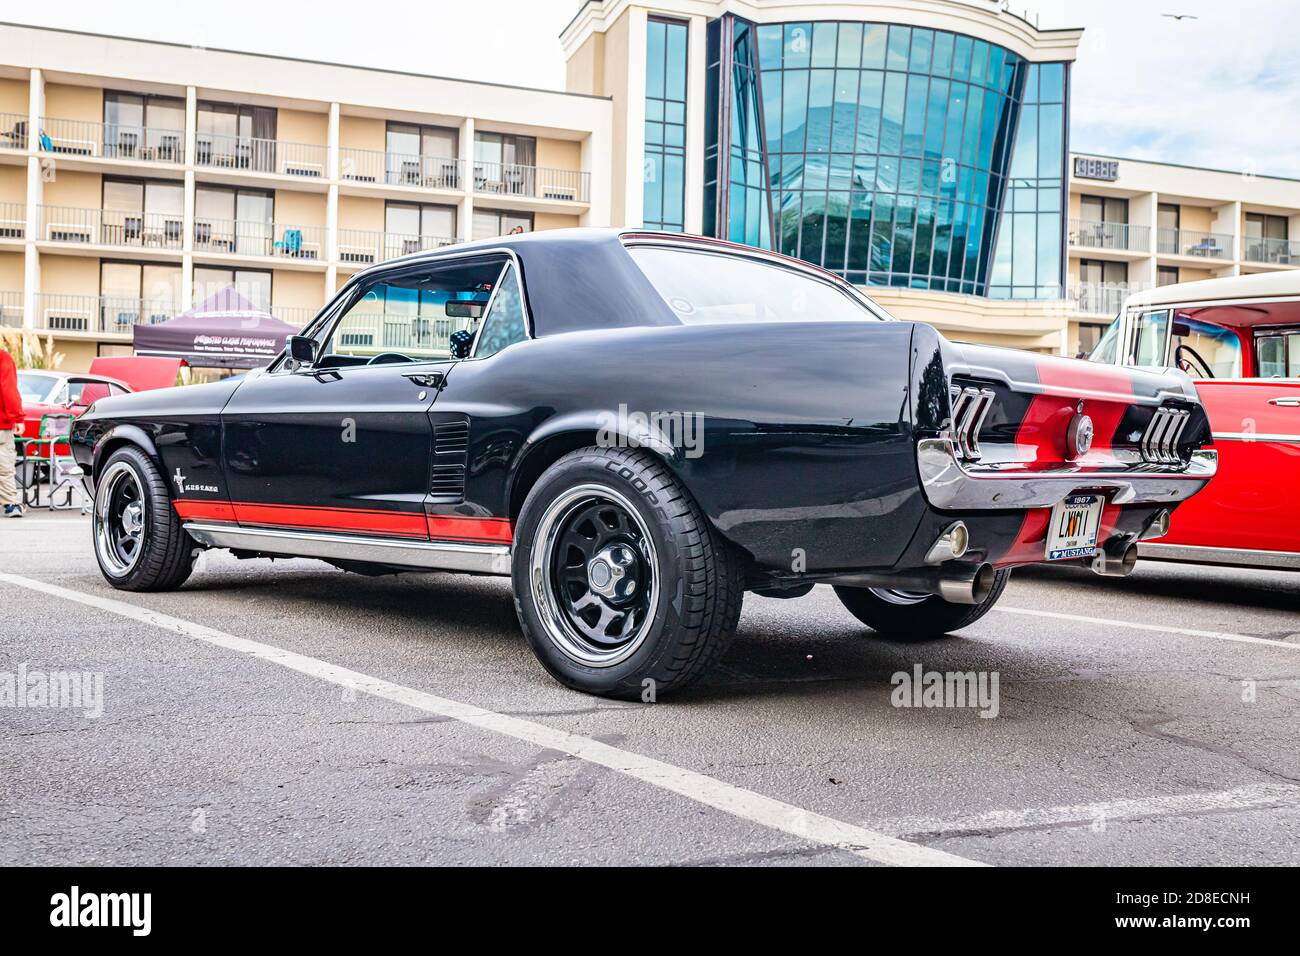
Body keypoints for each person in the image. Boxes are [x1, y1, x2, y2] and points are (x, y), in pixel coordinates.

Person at [0, 346, 23, 517]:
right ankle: (10, 504)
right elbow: (8, 390)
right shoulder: (2, 357)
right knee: (4, 465)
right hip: (1, 424)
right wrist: (18, 418)